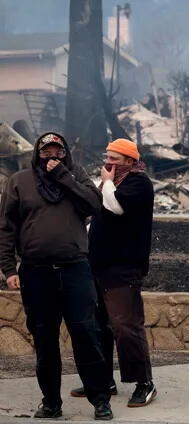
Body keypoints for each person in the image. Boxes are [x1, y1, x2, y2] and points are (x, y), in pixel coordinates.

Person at [0, 132, 113, 420]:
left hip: (75, 269)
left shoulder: (76, 177)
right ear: (38, 154)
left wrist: (65, 177)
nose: (52, 157)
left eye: (58, 152)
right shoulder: (20, 181)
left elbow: (94, 205)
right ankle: (51, 402)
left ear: (65, 154)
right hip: (36, 273)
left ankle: (100, 400)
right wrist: (9, 268)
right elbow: (6, 227)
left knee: (86, 335)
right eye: (47, 152)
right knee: (44, 339)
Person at [70, 138, 156, 407]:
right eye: (107, 157)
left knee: (125, 327)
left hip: (123, 267)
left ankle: (144, 382)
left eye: (115, 160)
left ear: (129, 161)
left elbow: (115, 206)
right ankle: (102, 380)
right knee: (98, 328)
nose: (108, 164)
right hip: (97, 265)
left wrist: (106, 183)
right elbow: (96, 213)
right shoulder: (112, 184)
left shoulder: (138, 183)